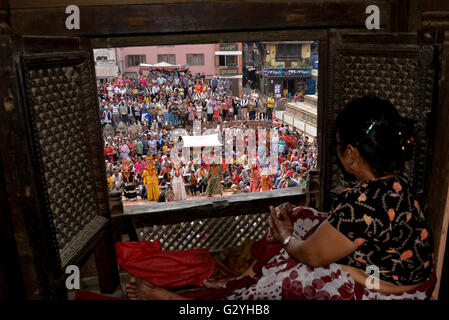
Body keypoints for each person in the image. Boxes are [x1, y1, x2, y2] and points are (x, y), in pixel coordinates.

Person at [125, 96, 434, 300]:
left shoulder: (366, 202)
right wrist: (298, 221)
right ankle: (245, 278)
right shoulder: (395, 186)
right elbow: (360, 226)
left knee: (283, 282)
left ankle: (195, 300)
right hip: (380, 269)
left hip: (385, 289)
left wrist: (287, 238)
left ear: (351, 154)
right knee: (304, 217)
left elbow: (312, 255)